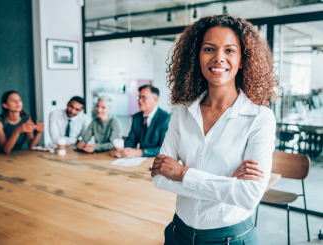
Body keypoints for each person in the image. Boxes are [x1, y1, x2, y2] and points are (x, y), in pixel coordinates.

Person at [151, 15, 279, 245]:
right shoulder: (182, 112)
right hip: (178, 234)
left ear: (242, 60)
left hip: (231, 238)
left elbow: (249, 196)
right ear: (197, 56)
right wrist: (227, 182)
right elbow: (159, 177)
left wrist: (182, 173)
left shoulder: (260, 119)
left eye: (229, 50)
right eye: (209, 49)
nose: (218, 58)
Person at [110, 85, 170, 158]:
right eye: (139, 97)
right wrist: (120, 150)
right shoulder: (136, 117)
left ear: (155, 99)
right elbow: (132, 139)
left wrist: (139, 152)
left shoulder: (166, 119)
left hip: (156, 160)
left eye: (144, 98)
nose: (139, 101)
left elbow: (164, 149)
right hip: (138, 161)